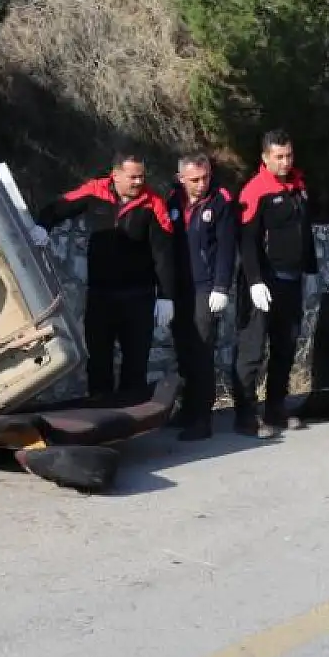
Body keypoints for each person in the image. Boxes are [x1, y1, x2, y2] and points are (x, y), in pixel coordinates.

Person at [32, 150, 175, 402]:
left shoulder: (153, 203)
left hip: (138, 297)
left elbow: (163, 253)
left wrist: (166, 296)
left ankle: (133, 419)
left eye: (142, 177)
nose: (139, 182)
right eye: (133, 177)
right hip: (100, 296)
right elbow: (57, 207)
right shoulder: (95, 191)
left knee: (135, 362)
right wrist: (42, 226)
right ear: (116, 175)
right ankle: (100, 415)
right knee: (99, 361)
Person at [233, 129, 318, 438]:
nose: (285, 162)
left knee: (285, 347)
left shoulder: (298, 185)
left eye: (289, 155)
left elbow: (304, 232)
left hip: (291, 282)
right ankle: (245, 414)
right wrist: (254, 281)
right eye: (279, 157)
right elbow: (247, 241)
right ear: (265, 158)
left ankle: (276, 408)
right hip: (263, 284)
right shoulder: (255, 190)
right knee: (252, 351)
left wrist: (310, 271)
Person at [167, 152, 237, 442]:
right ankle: (187, 408)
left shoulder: (221, 200)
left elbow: (226, 247)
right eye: (194, 179)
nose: (201, 183)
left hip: (206, 288)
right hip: (179, 288)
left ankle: (202, 418)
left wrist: (221, 286)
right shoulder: (172, 200)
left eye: (206, 176)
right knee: (184, 350)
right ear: (180, 179)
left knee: (201, 352)